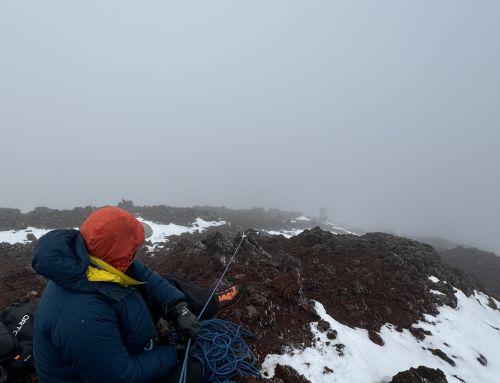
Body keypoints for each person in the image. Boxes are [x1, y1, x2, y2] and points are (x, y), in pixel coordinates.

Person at [32, 207, 242, 383]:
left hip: (116, 350)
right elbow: (119, 376)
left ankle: (203, 305)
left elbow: (146, 275)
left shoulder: (96, 257)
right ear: (120, 252)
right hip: (110, 375)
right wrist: (173, 352)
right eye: (133, 248)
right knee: (193, 371)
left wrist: (179, 308)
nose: (136, 252)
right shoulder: (84, 312)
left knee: (165, 282)